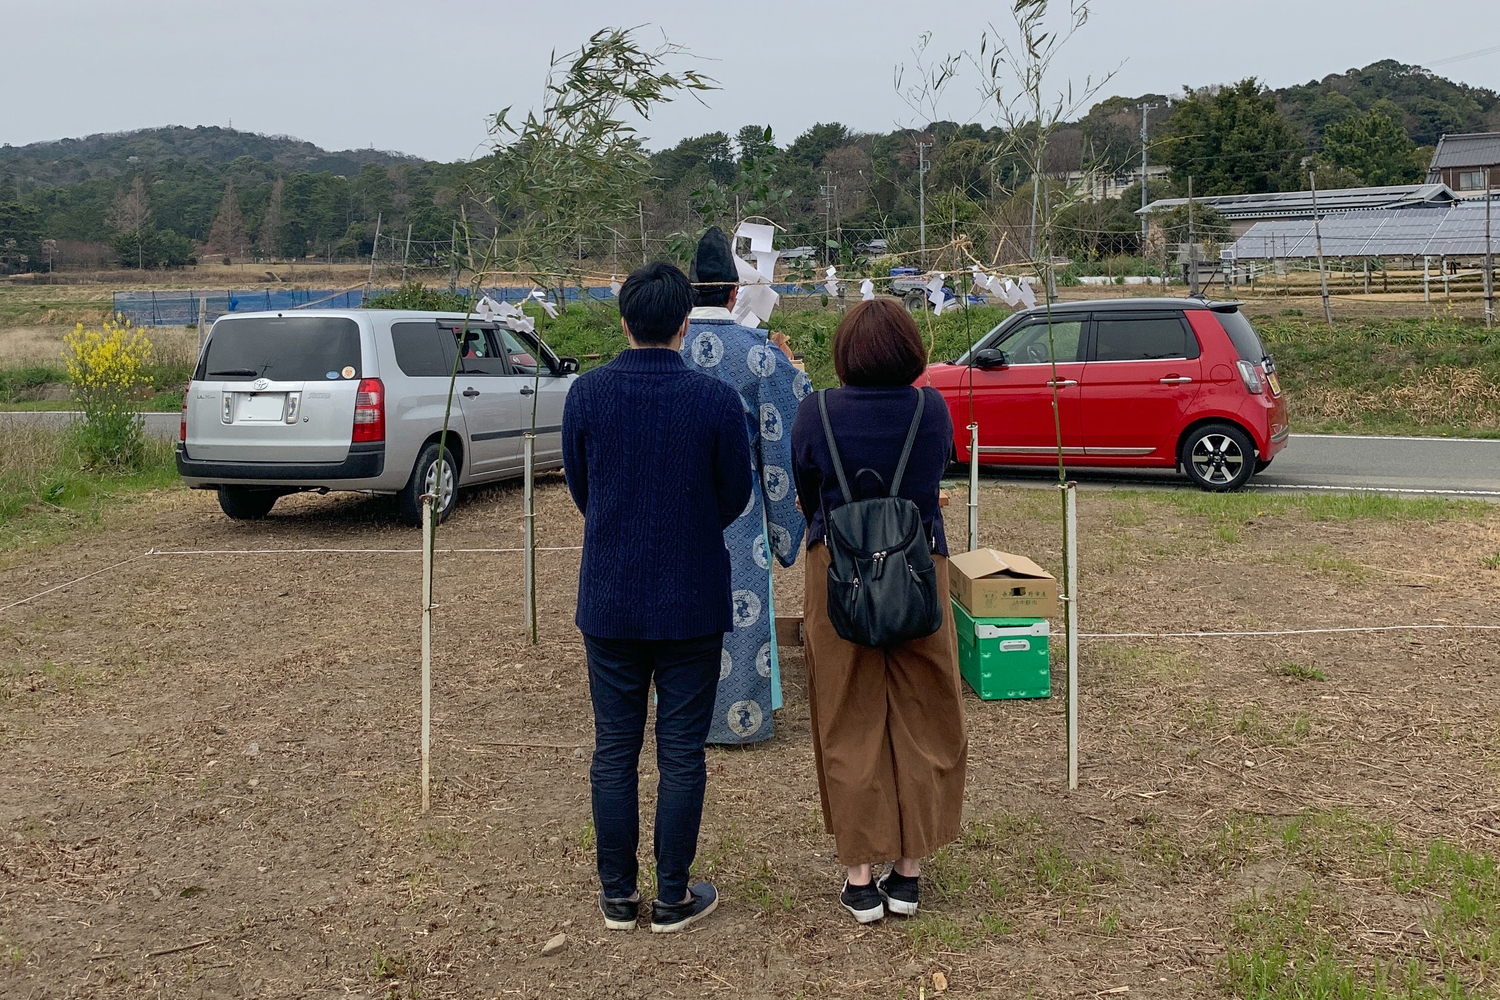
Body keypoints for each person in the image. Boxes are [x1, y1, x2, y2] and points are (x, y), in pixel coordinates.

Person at [561, 262, 754, 934]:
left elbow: (583, 489)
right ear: (683, 324)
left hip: (610, 596)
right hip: (691, 598)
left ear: (623, 320)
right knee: (680, 751)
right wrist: (691, 523)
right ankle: (672, 895)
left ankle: (618, 894)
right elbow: (734, 494)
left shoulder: (586, 395)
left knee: (614, 749)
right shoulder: (715, 401)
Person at [789, 297, 968, 924]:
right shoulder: (931, 407)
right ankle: (909, 873)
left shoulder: (817, 411)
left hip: (838, 570)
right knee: (927, 707)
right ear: (911, 350)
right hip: (920, 566)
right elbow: (935, 473)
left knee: (847, 712)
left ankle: (860, 878)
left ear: (845, 353)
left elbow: (805, 487)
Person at [682, 226, 810, 745]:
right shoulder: (758, 355)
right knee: (742, 606)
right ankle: (739, 720)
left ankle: (682, 716)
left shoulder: (666, 346)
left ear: (689, 291)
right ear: (734, 293)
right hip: (742, 502)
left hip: (676, 504)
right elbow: (790, 423)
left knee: (681, 606)